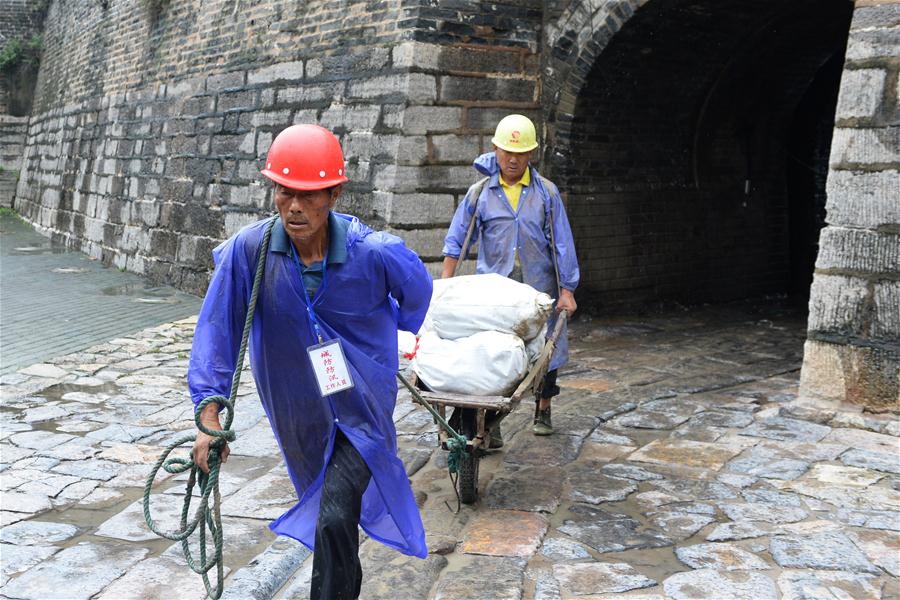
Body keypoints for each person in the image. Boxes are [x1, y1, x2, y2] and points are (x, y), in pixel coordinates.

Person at [188, 124, 432, 600]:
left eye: (309, 194)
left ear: (334, 194)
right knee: (330, 518)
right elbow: (217, 332)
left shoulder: (373, 254)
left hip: (361, 409)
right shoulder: (250, 253)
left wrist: (384, 334)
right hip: (299, 412)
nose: (294, 207)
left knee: (336, 512)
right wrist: (208, 418)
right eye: (284, 191)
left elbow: (417, 294)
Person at [441, 114, 579, 437]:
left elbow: (562, 243)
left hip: (539, 285)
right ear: (495, 150)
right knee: (492, 352)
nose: (512, 160)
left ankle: (543, 407)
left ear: (531, 154)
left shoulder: (547, 194)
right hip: (495, 291)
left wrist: (568, 289)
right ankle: (490, 420)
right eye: (506, 152)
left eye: (520, 153)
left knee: (548, 346)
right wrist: (446, 282)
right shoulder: (480, 194)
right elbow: (458, 239)